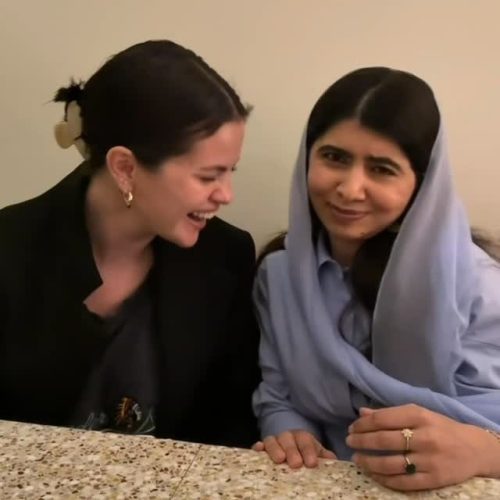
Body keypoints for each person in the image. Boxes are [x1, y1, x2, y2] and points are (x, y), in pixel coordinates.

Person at [0, 40, 260, 448]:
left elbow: (232, 421)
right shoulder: (11, 250)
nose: (226, 195)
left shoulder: (226, 257)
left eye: (231, 172)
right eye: (208, 176)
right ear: (124, 167)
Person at [252, 67, 500, 490]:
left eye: (382, 169)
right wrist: (290, 434)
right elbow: (279, 397)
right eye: (334, 157)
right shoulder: (279, 277)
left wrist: (484, 452)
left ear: (422, 184)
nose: (350, 189)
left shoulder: (476, 286)